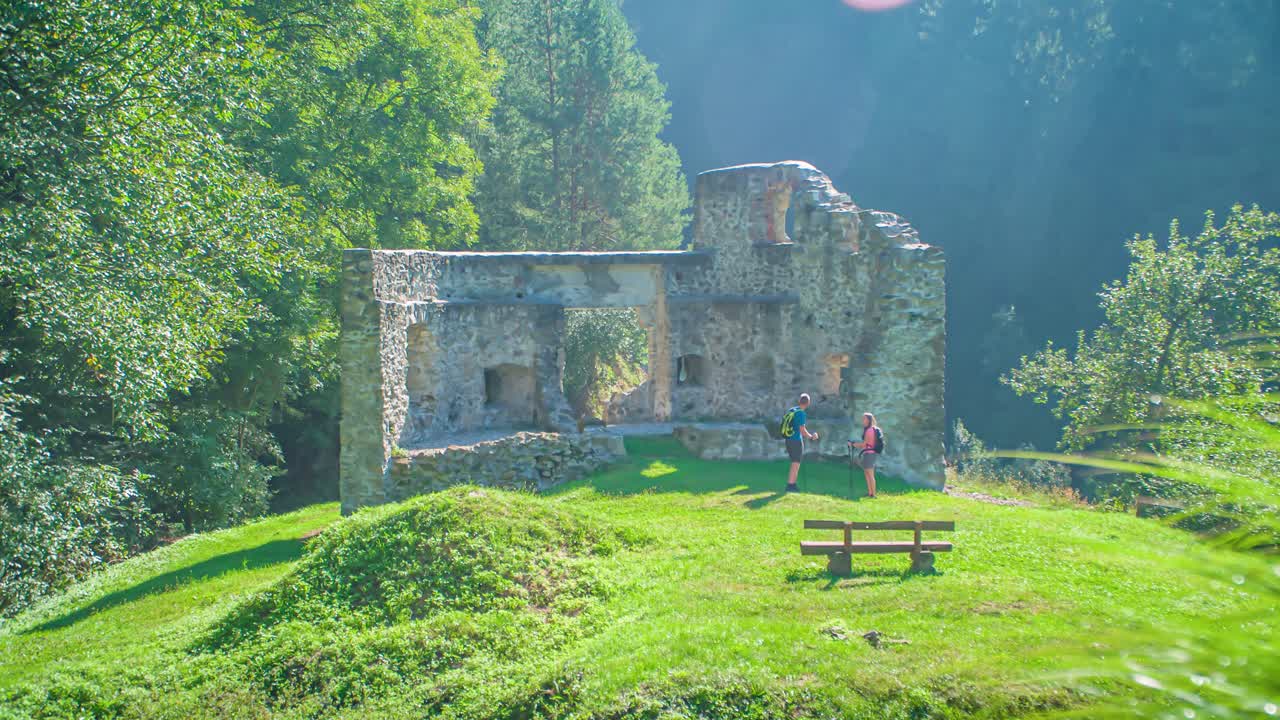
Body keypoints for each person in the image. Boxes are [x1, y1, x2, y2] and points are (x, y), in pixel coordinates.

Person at [780, 393, 819, 492]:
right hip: (796, 440)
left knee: (794, 462)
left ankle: (791, 484)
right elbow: (802, 430)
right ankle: (791, 485)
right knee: (796, 463)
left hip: (788, 439)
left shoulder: (792, 410)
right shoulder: (801, 413)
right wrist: (811, 436)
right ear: (808, 403)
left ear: (799, 401)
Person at [848, 412, 881, 498]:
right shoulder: (872, 429)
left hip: (869, 454)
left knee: (870, 474)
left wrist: (853, 444)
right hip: (869, 453)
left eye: (864, 419)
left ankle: (873, 494)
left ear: (869, 420)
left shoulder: (869, 430)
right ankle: (870, 493)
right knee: (867, 473)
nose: (863, 420)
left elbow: (864, 444)